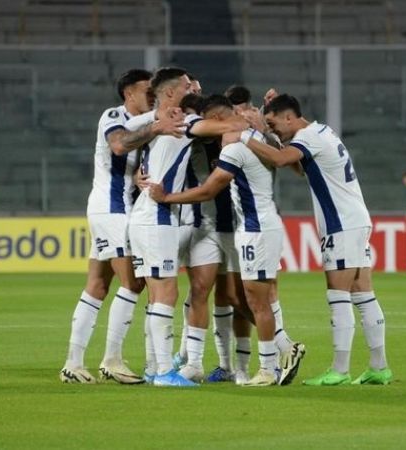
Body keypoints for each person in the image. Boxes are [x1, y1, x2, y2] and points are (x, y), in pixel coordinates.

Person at [147, 98, 306, 386]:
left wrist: (166, 197)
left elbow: (210, 189)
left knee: (251, 298)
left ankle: (271, 363)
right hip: (236, 226)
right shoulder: (254, 140)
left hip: (249, 228)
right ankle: (200, 362)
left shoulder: (237, 147)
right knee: (217, 293)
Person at [240, 93, 392, 386]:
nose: (273, 130)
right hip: (355, 220)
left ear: (289, 117)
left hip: (341, 225)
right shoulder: (322, 131)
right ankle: (378, 366)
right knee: (363, 294)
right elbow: (298, 167)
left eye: (274, 124)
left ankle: (340, 369)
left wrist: (247, 136)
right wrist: (270, 133)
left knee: (338, 295)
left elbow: (283, 160)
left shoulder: (309, 136)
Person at [125, 67, 248, 387]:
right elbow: (229, 125)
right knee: (166, 291)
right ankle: (165, 371)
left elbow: (127, 133)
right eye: (185, 87)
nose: (191, 90)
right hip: (159, 216)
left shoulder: (150, 125)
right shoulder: (183, 123)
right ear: (169, 94)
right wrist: (244, 118)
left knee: (156, 294)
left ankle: (155, 367)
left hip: (143, 216)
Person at [59, 69, 183, 384]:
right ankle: (112, 359)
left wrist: (139, 177)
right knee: (133, 283)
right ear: (129, 93)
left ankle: (73, 362)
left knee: (98, 285)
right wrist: (157, 126)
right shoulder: (114, 116)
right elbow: (118, 145)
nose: (152, 97)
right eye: (146, 91)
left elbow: (135, 153)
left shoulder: (145, 122)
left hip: (117, 209)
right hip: (111, 209)